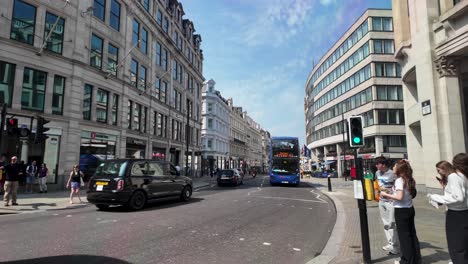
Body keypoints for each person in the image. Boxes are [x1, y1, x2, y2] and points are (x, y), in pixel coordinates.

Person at [428, 155, 468, 264]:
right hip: (463, 213)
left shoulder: (454, 176)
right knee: (462, 245)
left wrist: (435, 197)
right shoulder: (463, 176)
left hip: (456, 214)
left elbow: (458, 197)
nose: (438, 172)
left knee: (456, 245)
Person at [380, 160, 421, 264]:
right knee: (412, 235)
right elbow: (406, 194)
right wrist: (391, 192)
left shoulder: (399, 180)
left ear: (399, 169)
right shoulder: (409, 179)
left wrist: (386, 195)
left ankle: (406, 260)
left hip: (401, 211)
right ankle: (415, 259)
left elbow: (399, 197)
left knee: (404, 238)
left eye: (394, 166)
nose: (393, 168)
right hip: (409, 209)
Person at [374, 156, 400, 255]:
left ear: (384, 164)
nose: (376, 165)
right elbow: (378, 185)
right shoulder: (377, 173)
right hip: (381, 200)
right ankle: (390, 243)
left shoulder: (393, 174)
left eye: (378, 164)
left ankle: (395, 246)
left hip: (391, 201)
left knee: (392, 223)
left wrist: (392, 193)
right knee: (385, 223)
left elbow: (398, 186)